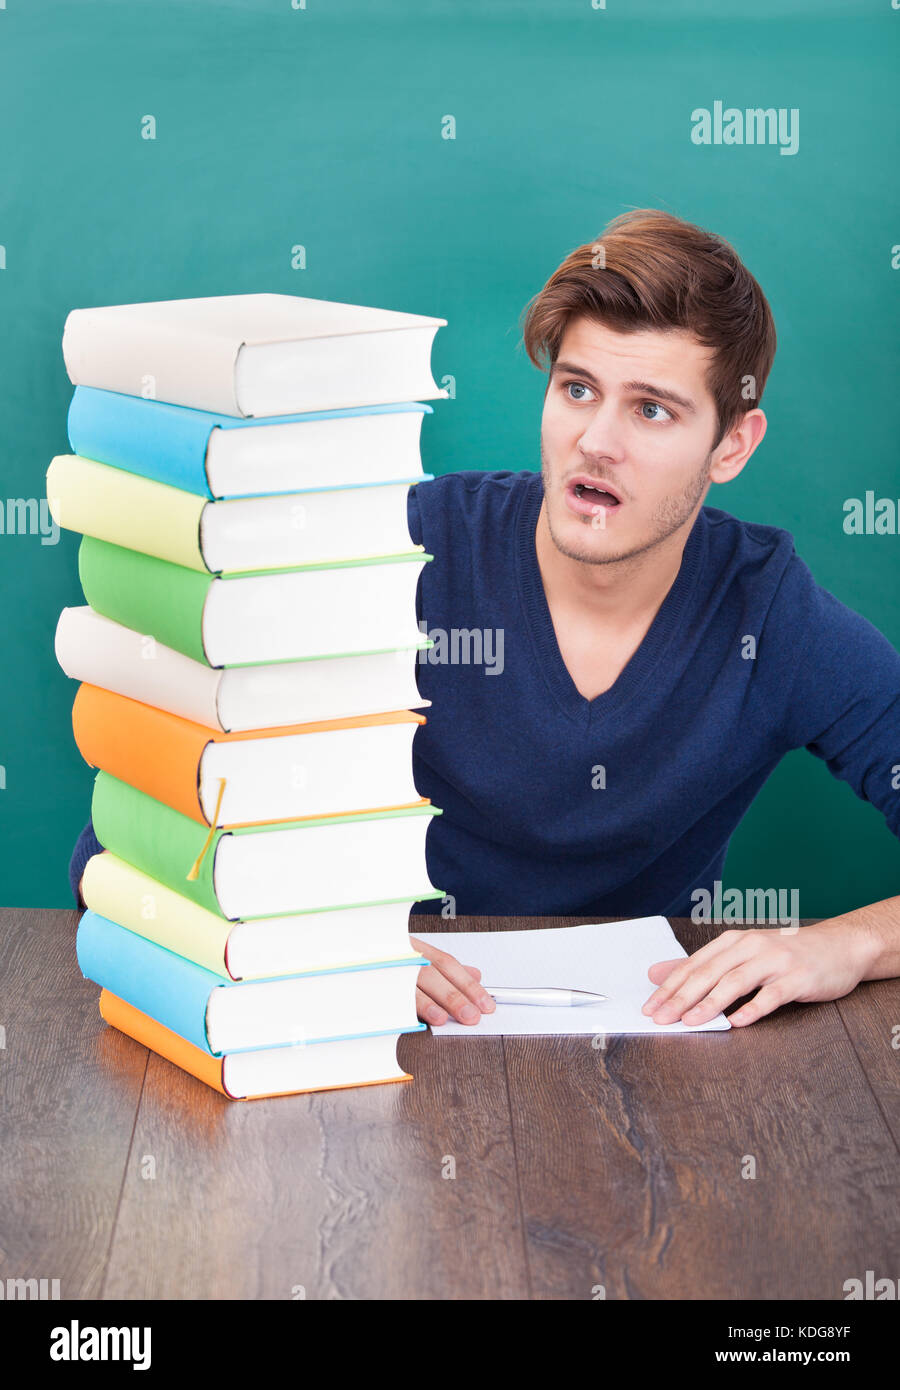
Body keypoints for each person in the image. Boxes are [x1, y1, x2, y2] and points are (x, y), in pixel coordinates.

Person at [69, 209, 900, 1031]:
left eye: (652, 410)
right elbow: (119, 856)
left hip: (652, 1066)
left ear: (732, 446)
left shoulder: (769, 615)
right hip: (369, 1039)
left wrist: (846, 945)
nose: (596, 442)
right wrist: (325, 948)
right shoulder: (403, 552)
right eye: (577, 389)